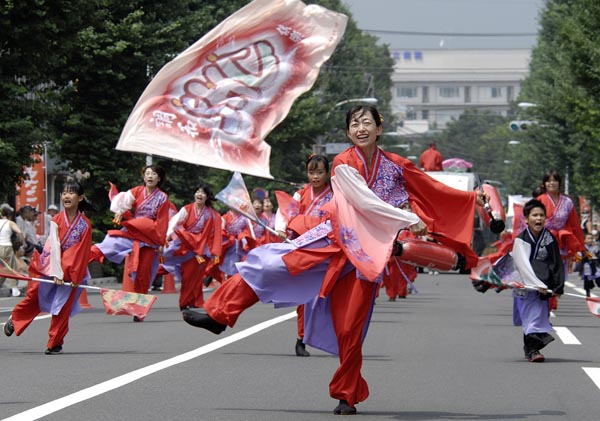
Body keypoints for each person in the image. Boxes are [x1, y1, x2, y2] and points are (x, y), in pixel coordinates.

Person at [181, 104, 484, 415]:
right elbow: (364, 201)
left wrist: (472, 199)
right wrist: (407, 217)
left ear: (379, 130)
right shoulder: (342, 163)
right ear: (348, 133)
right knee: (269, 264)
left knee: (350, 329)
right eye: (355, 123)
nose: (361, 127)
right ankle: (218, 315)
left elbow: (432, 188)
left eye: (368, 122)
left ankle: (347, 394)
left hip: (369, 258)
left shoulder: (397, 166)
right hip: (334, 243)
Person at [3, 180, 92, 354]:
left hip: (74, 270)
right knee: (35, 297)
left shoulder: (85, 225)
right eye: (64, 193)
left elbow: (82, 253)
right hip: (51, 265)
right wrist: (57, 272)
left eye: (71, 193)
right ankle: (16, 318)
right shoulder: (56, 220)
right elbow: (54, 247)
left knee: (62, 307)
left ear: (80, 198)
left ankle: (55, 342)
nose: (66, 196)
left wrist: (74, 276)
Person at [89, 164, 170, 322]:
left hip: (150, 236)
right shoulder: (137, 191)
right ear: (143, 177)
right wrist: (120, 211)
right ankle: (83, 259)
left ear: (159, 178)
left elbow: (162, 222)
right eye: (147, 173)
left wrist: (160, 242)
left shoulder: (162, 197)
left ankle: (139, 310)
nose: (150, 176)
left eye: (153, 174)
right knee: (111, 243)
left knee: (143, 274)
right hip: (134, 229)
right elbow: (124, 203)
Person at [274, 154, 333, 357]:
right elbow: (285, 213)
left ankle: (334, 339)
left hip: (326, 251)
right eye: (311, 172)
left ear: (327, 173)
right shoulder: (300, 194)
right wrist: (282, 229)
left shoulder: (334, 195)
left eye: (319, 172)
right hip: (303, 249)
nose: (315, 176)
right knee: (306, 298)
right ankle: (301, 339)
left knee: (327, 299)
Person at [512, 199, 564, 362]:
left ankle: (531, 350)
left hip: (543, 287)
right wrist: (536, 284)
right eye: (534, 215)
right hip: (525, 286)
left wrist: (558, 286)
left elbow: (556, 263)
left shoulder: (549, 238)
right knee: (530, 317)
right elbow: (522, 266)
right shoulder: (520, 240)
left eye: (542, 215)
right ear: (526, 219)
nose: (538, 218)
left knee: (538, 316)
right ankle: (532, 350)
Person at [161, 182, 222, 311]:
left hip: (202, 249)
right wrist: (167, 236)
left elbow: (215, 234)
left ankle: (191, 301)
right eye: (198, 192)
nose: (199, 194)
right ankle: (184, 302)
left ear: (207, 197)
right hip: (187, 246)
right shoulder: (187, 209)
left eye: (203, 192)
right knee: (188, 276)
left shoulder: (212, 214)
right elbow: (174, 222)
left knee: (196, 277)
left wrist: (215, 252)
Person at [0, 206, 26, 297]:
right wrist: (23, 242)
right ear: (10, 215)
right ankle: (14, 288)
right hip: (7, 247)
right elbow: (19, 232)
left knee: (2, 268)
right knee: (12, 268)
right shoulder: (10, 223)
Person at [575, 233, 600, 297]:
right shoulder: (581, 248)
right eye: (588, 238)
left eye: (591, 238)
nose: (590, 240)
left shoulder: (596, 247)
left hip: (595, 265)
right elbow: (578, 258)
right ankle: (587, 293)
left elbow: (597, 255)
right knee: (587, 281)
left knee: (598, 278)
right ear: (584, 240)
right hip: (586, 266)